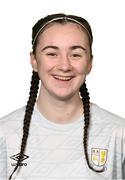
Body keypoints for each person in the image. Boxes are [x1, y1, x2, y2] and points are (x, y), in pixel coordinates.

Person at [0, 13, 125, 180]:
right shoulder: (4, 134)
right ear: (34, 61)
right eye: (52, 53)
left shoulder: (119, 133)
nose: (65, 65)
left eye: (76, 54)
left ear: (90, 63)